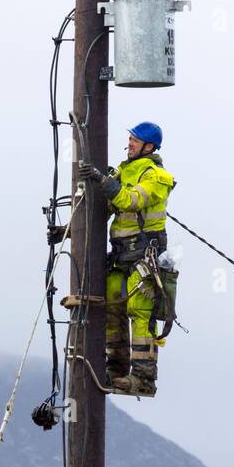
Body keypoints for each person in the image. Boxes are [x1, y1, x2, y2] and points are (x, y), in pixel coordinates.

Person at [94, 122, 177, 396]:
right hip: (120, 255)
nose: (129, 143)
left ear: (149, 146)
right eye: (129, 139)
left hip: (144, 255)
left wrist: (107, 184)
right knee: (112, 307)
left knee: (140, 312)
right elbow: (105, 207)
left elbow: (131, 200)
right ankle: (115, 370)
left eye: (135, 140)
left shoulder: (156, 175)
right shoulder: (123, 170)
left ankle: (143, 378)